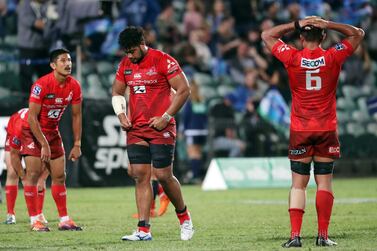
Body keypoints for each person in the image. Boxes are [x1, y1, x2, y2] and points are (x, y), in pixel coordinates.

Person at [262, 16, 364, 247]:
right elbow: (357, 33)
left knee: (298, 184)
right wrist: (328, 23)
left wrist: (296, 23)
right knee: (324, 183)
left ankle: (295, 236)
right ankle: (322, 235)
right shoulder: (332, 56)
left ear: (300, 37)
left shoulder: (292, 56)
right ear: (324, 37)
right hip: (327, 128)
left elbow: (267, 35)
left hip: (300, 129)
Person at [112, 26, 194, 241]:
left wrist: (165, 117)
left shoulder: (163, 60)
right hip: (136, 129)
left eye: (132, 51)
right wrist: (121, 115)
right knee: (140, 176)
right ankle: (143, 230)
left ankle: (184, 218)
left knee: (164, 177)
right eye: (126, 52)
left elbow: (184, 90)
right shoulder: (125, 65)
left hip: (162, 128)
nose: (130, 56)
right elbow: (117, 92)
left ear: (142, 44)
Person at [22, 48, 83, 232]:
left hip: (52, 133)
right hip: (32, 132)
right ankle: (35, 220)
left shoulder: (74, 85)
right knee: (32, 175)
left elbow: (77, 115)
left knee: (59, 176)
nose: (68, 64)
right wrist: (43, 144)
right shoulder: (42, 85)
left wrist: (77, 143)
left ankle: (64, 220)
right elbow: (32, 118)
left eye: (70, 60)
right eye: (63, 60)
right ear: (53, 65)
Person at [3, 108, 49, 225]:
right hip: (14, 130)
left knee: (38, 175)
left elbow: (53, 157)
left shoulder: (48, 127)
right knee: (12, 173)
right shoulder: (19, 127)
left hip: (37, 138)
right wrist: (23, 177)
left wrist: (42, 178)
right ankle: (10, 214)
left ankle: (38, 213)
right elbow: (14, 154)